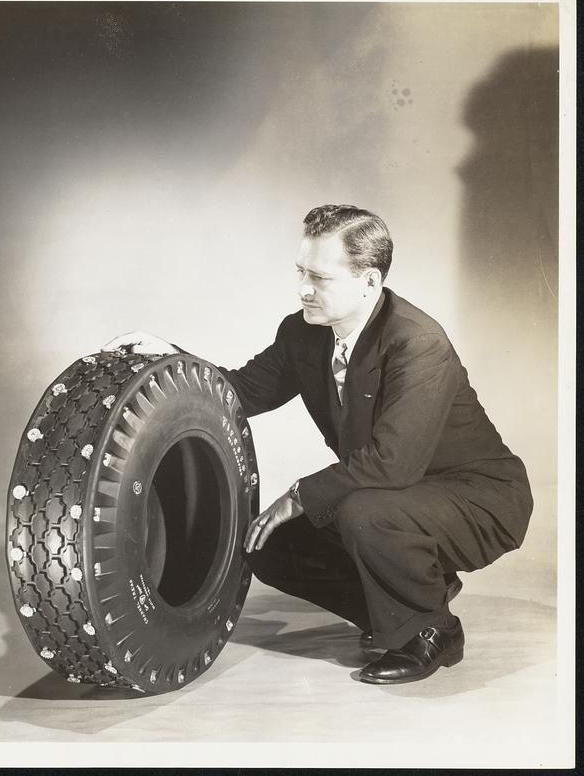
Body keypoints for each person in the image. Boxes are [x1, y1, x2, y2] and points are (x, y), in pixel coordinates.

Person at [103, 204, 533, 685]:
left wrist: (299, 496)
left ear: (368, 281)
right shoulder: (302, 333)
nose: (303, 289)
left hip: (478, 498)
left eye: (320, 278)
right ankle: (406, 603)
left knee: (361, 513)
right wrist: (170, 356)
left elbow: (394, 465)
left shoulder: (418, 343)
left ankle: (433, 632)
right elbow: (241, 393)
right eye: (301, 272)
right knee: (268, 545)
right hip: (394, 497)